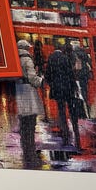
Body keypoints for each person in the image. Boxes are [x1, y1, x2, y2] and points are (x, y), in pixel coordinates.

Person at [44, 44, 81, 149]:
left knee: (61, 110)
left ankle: (65, 131)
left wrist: (52, 84)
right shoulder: (65, 58)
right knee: (71, 108)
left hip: (57, 89)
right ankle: (75, 128)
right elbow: (70, 74)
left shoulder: (51, 58)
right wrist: (74, 86)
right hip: (67, 87)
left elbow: (47, 75)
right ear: (61, 50)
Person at [15, 39, 44, 168]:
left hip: (18, 91)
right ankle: (31, 152)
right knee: (31, 123)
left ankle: (25, 148)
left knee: (23, 123)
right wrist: (41, 80)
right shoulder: (27, 59)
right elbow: (33, 78)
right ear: (26, 48)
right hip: (28, 92)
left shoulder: (14, 59)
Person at [73, 46, 92, 119]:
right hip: (85, 73)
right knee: (85, 89)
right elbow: (90, 62)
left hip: (78, 75)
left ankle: (82, 109)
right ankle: (87, 106)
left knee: (79, 92)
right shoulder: (84, 54)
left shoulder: (74, 54)